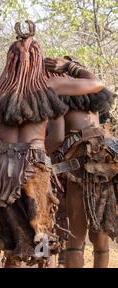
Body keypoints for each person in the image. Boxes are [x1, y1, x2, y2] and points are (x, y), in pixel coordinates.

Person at [0, 20, 104, 267]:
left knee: (10, 230)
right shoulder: (49, 84)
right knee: (42, 229)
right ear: (37, 59)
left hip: (2, 165)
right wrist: (70, 66)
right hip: (34, 165)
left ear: (10, 60)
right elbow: (96, 83)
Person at [45, 56, 118, 268]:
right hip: (106, 164)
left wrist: (41, 159)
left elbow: (56, 138)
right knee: (100, 235)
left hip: (80, 167)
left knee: (76, 235)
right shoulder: (92, 103)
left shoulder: (58, 99)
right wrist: (71, 67)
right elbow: (94, 81)